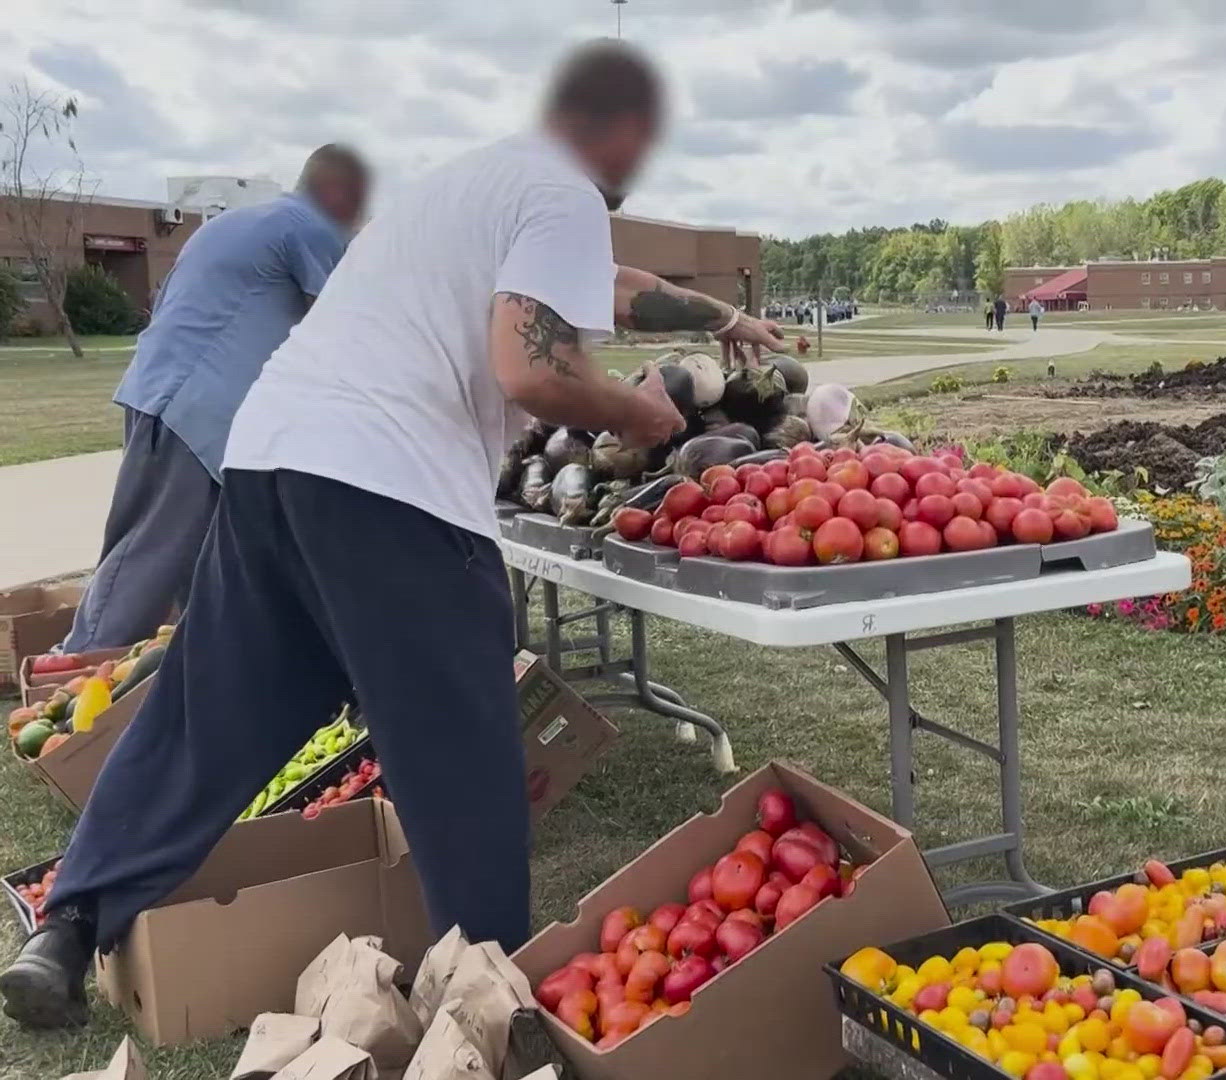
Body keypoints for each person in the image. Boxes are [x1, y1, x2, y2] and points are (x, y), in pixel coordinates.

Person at [0, 40, 787, 1031]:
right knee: (461, 755)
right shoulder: (564, 195)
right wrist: (641, 419)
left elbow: (615, 289)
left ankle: (66, 929)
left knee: (205, 722)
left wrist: (717, 312)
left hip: (271, 461)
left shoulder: (466, 184)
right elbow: (529, 366)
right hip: (390, 490)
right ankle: (490, 1005)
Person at [59, 147, 369, 654]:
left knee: (201, 567)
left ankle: (172, 687)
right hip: (195, 411)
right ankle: (72, 689)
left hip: (161, 394)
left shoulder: (239, 223)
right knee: (151, 554)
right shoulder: (310, 228)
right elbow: (341, 330)